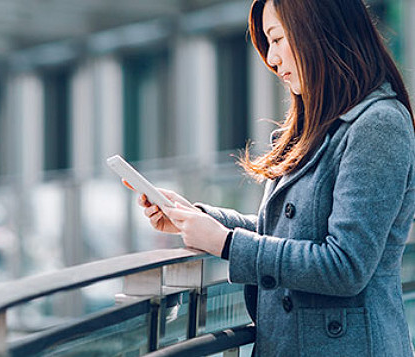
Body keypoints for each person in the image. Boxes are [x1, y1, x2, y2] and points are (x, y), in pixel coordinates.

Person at [133, 0, 415, 355]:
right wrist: (201, 219)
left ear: (320, 31)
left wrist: (226, 243)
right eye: (269, 44)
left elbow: (345, 265)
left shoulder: (378, 124)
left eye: (278, 39)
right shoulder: (312, 129)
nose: (272, 58)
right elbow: (286, 234)